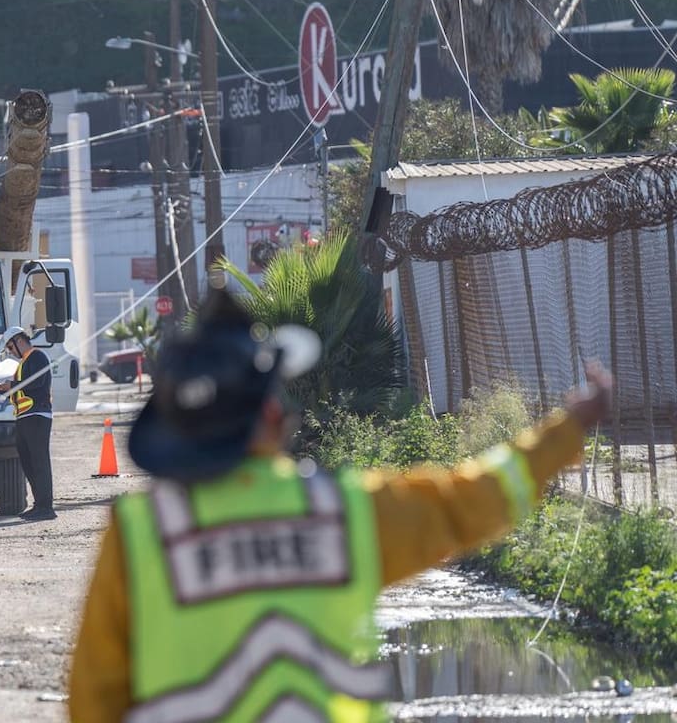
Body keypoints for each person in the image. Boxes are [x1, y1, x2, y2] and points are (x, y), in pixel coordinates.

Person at [68, 288, 611, 723]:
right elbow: (474, 499)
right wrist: (568, 431)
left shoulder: (141, 536)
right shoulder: (343, 513)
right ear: (275, 419)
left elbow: (94, 701)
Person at [0, 326, 56, 521]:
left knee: (39, 462)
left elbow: (35, 382)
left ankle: (46, 507)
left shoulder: (37, 357)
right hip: (25, 417)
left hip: (37, 416)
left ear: (19, 341)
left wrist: (12, 385)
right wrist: (5, 389)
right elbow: (23, 389)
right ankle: (39, 504)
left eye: (11, 347)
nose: (11, 352)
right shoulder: (24, 362)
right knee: (28, 462)